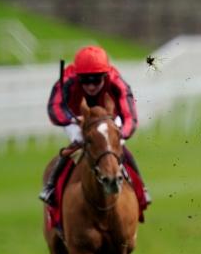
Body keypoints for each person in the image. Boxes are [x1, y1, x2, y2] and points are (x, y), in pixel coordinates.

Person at [39, 45, 151, 205]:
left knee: (118, 147)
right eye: (85, 81)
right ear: (78, 76)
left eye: (96, 80)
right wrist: (72, 120)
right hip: (76, 117)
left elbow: (130, 117)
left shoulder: (117, 83)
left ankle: (142, 190)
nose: (91, 86)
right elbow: (54, 108)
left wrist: (121, 135)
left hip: (110, 117)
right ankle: (51, 186)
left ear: (106, 75)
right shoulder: (68, 79)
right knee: (77, 143)